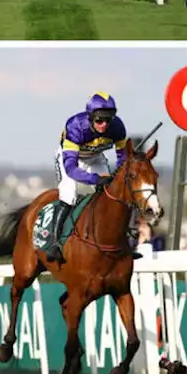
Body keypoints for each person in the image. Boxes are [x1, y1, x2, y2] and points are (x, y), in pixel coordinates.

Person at [49, 93, 129, 263]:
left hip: (95, 157)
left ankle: (122, 241)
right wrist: (95, 179)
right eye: (99, 120)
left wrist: (116, 175)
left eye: (108, 120)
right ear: (91, 117)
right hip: (72, 159)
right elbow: (71, 169)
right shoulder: (76, 126)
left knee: (112, 194)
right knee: (69, 194)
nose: (104, 125)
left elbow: (122, 158)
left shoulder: (118, 128)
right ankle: (55, 243)